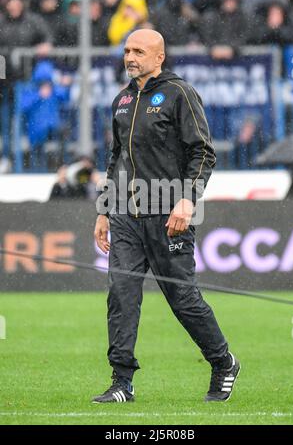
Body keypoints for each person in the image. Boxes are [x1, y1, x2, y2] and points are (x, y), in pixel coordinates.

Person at [93, 29, 240, 404]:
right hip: (127, 214)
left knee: (183, 299)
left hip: (169, 214)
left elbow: (204, 153)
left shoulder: (179, 94)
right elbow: (115, 160)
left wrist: (187, 200)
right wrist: (104, 209)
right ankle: (122, 381)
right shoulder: (122, 100)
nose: (130, 57)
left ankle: (223, 362)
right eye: (127, 50)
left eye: (139, 51)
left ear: (159, 57)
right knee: (121, 295)